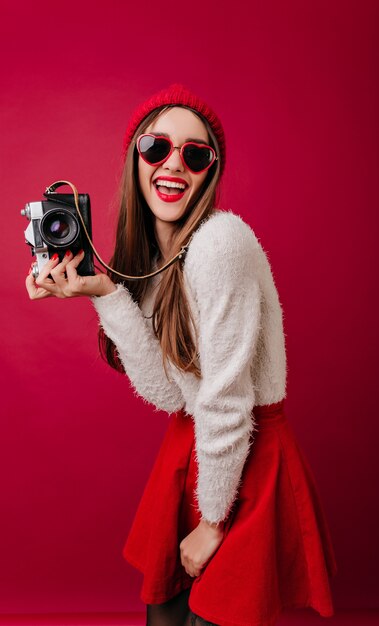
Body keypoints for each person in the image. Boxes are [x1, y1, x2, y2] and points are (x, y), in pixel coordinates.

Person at [25, 83, 338, 626]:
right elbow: (168, 392)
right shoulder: (156, 259)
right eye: (157, 147)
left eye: (195, 154)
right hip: (198, 449)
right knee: (165, 619)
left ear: (209, 171)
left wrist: (214, 522)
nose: (174, 164)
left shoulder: (220, 242)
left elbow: (226, 398)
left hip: (243, 452)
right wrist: (104, 294)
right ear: (135, 158)